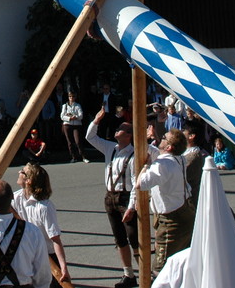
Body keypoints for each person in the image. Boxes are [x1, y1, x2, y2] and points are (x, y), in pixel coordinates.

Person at [85, 109, 138, 288]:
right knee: (119, 238)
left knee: (134, 237)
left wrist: (131, 207)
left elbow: (135, 183)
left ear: (129, 135)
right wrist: (96, 120)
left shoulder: (133, 154)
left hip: (125, 198)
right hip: (110, 197)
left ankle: (147, 272)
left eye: (122, 128)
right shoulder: (110, 148)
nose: (117, 129)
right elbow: (90, 137)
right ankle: (128, 274)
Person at [136, 128, 195, 275]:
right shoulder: (178, 158)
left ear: (169, 147)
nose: (160, 139)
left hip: (172, 219)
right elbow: (155, 151)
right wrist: (150, 138)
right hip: (184, 211)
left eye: (163, 138)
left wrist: (145, 167)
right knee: (180, 262)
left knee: (160, 268)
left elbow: (141, 184)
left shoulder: (163, 164)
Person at [14, 162, 71, 283]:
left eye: (22, 171)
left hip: (47, 257)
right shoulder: (16, 198)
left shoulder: (44, 207)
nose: (19, 172)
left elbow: (55, 239)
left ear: (29, 181)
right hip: (27, 256)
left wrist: (63, 267)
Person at [60, 90, 87, 163]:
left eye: (73, 96)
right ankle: (73, 157)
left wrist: (75, 117)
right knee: (70, 142)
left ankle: (83, 156)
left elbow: (81, 116)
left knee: (78, 141)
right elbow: (62, 116)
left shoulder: (78, 105)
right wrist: (69, 118)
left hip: (76, 125)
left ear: (75, 97)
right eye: (70, 96)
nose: (71, 98)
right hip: (67, 125)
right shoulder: (64, 106)